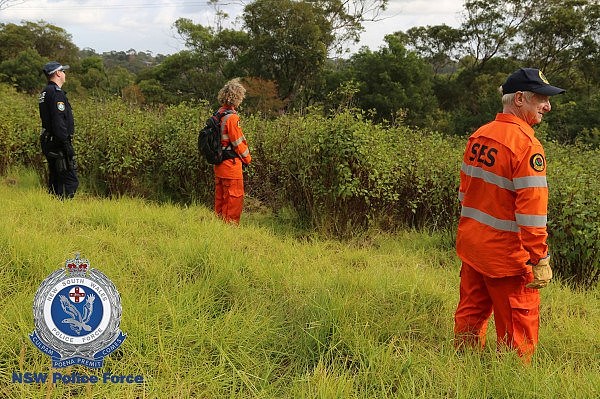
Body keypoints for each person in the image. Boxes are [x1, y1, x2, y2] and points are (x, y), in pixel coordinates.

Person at [453, 68, 565, 361]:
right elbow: (532, 215)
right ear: (519, 99)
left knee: (470, 316)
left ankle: (462, 370)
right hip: (506, 258)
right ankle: (513, 384)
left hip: (473, 247)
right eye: (541, 99)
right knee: (518, 332)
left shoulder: (479, 136)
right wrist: (539, 258)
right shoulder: (527, 146)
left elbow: (465, 195)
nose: (547, 106)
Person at [213, 78, 252, 224]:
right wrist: (248, 159)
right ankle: (230, 232)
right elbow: (238, 142)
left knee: (220, 200)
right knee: (233, 200)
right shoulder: (232, 118)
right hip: (231, 166)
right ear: (238, 97)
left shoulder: (218, 114)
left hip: (219, 165)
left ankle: (218, 228)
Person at [39, 61, 79, 198]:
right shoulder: (56, 93)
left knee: (56, 178)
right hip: (58, 142)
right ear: (57, 73)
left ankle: (53, 208)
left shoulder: (45, 91)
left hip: (49, 139)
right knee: (69, 180)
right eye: (63, 71)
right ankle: (63, 211)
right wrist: (66, 144)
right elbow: (58, 120)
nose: (64, 74)